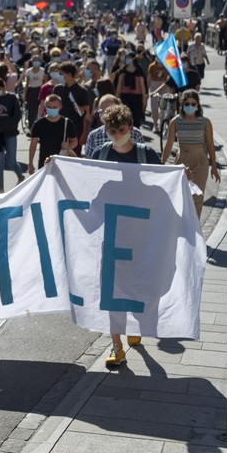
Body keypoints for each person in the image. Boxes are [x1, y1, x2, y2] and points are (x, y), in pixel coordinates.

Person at [89, 105, 162, 366]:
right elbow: (85, 181)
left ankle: (135, 326)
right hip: (112, 235)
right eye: (111, 130)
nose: (116, 135)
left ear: (131, 129)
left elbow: (163, 187)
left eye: (120, 130)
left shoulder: (147, 154)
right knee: (112, 293)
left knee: (139, 288)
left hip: (141, 235)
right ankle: (116, 346)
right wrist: (57, 166)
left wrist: (181, 176)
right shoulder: (102, 153)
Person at [160, 90, 221, 218]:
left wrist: (214, 167)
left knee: (197, 197)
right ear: (182, 104)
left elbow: (210, 145)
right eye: (187, 103)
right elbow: (169, 144)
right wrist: (161, 164)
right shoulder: (175, 122)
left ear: (198, 105)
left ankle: (195, 230)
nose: (190, 106)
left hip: (200, 161)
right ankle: (183, 226)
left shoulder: (205, 122)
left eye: (193, 104)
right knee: (182, 196)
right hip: (182, 160)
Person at [0, 78, 25, 194]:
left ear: (4, 88)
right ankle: (1, 190)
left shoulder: (12, 98)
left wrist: (2, 126)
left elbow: (17, 116)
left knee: (12, 161)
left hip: (10, 133)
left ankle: (20, 176)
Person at [28, 94, 75, 174]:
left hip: (62, 161)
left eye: (54, 107)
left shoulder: (67, 123)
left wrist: (68, 147)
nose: (52, 109)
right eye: (49, 107)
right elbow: (33, 144)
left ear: (60, 107)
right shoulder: (39, 124)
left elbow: (74, 141)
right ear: (45, 106)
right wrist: (30, 163)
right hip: (44, 162)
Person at [52, 62, 90, 151]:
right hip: (58, 128)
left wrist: (84, 134)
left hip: (75, 130)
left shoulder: (82, 91)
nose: (59, 76)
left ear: (69, 75)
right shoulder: (57, 89)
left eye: (61, 74)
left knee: (73, 158)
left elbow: (86, 115)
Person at [113, 52, 147, 128]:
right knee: (124, 117)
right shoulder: (122, 71)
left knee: (136, 117)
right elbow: (119, 85)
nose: (127, 59)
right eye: (126, 58)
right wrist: (116, 98)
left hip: (136, 97)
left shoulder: (139, 70)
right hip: (124, 97)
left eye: (129, 57)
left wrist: (144, 99)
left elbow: (142, 86)